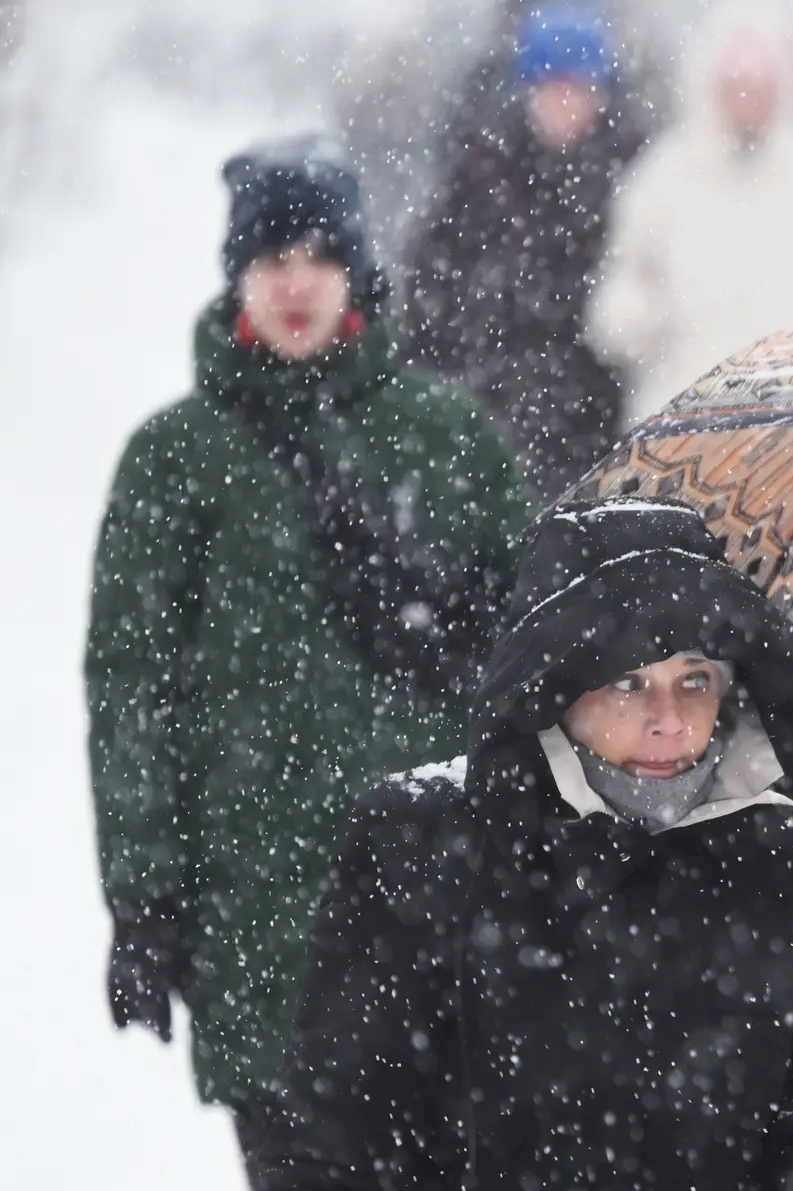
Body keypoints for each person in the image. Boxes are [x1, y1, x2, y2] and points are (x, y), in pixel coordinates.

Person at [85, 135, 535, 1186]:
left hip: (441, 922)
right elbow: (130, 691)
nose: (296, 282)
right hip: (256, 920)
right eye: (271, 257)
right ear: (237, 274)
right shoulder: (177, 460)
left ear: (359, 274)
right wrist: (144, 895)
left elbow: (544, 655)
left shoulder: (453, 440)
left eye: (320, 257)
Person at [254, 496, 793, 1190]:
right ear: (551, 687)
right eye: (628, 681)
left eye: (696, 680)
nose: (669, 721)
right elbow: (330, 1134)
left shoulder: (777, 841)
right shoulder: (425, 839)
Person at [589, 0, 793, 424]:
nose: (748, 98)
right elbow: (619, 288)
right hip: (680, 419)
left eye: (761, 85)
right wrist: (632, 315)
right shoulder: (664, 175)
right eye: (736, 84)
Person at [405, 4, 646, 498]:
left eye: (577, 88)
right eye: (552, 86)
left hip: (597, 411)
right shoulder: (480, 167)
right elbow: (430, 283)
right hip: (494, 402)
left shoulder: (635, 173)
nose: (565, 102)